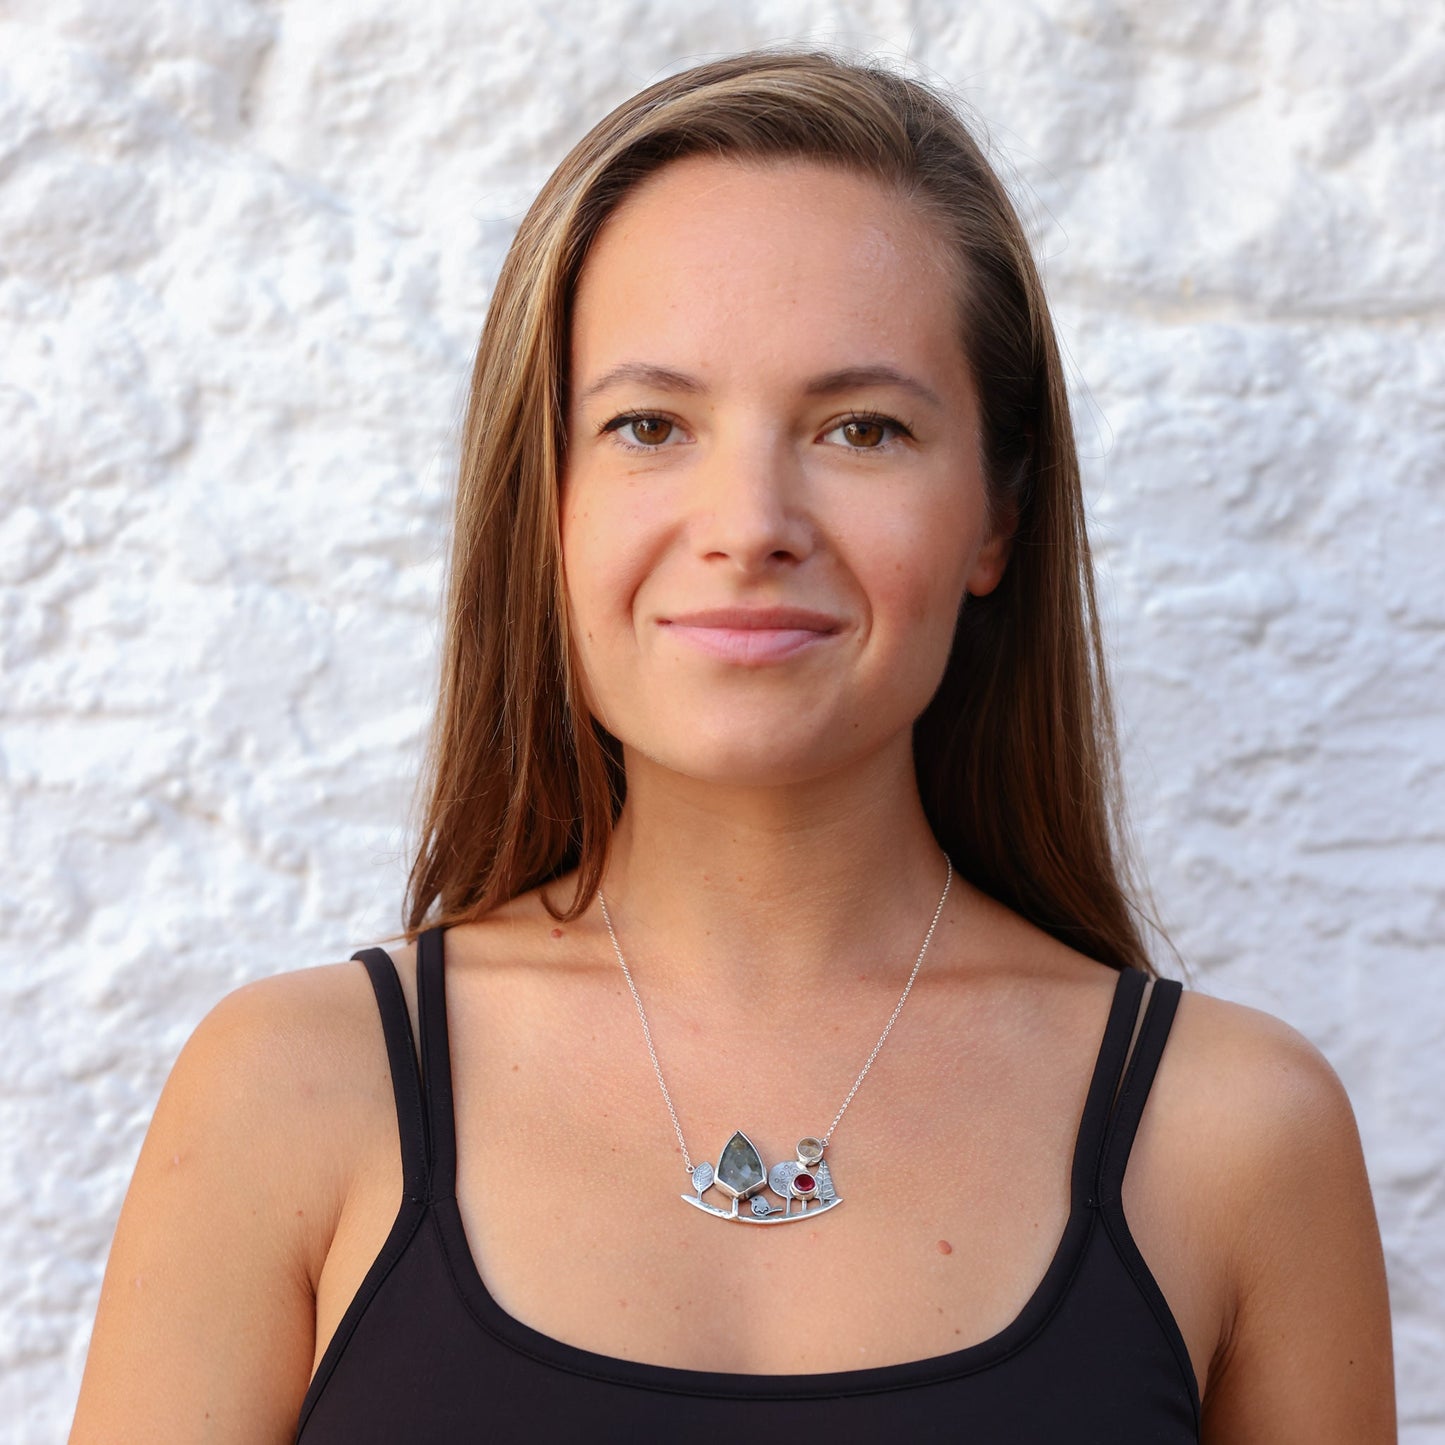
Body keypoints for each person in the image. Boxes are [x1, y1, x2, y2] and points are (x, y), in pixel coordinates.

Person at [70, 49, 1395, 1443]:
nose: (748, 519)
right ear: (547, 503)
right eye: (649, 424)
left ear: (996, 515)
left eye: (860, 427)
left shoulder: (1236, 1135)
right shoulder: (290, 1093)